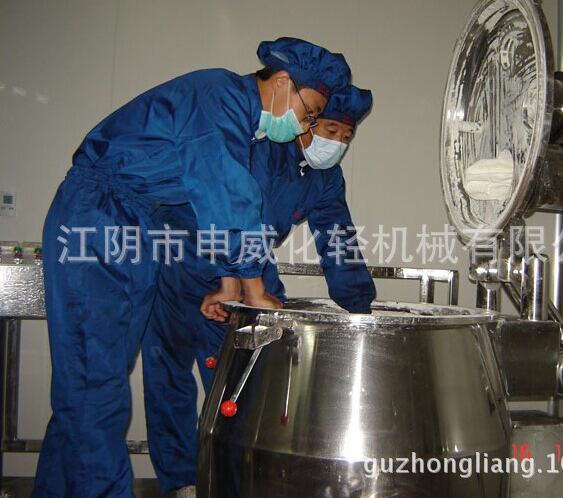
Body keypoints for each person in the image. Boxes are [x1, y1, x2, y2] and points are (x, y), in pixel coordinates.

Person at [33, 37, 351, 498]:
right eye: (311, 113)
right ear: (283, 83)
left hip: (135, 222)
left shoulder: (243, 126)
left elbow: (211, 206)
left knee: (92, 385)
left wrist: (230, 284)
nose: (309, 126)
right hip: (100, 216)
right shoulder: (219, 95)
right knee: (93, 387)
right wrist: (253, 288)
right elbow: (226, 192)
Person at [142, 85, 376, 495]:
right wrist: (231, 276)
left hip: (250, 265)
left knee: (249, 380)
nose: (337, 143)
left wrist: (360, 311)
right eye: (331, 130)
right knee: (169, 375)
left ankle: (235, 481)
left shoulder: (324, 178)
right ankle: (181, 481)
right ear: (309, 121)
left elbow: (338, 238)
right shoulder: (260, 150)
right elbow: (227, 213)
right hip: (182, 255)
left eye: (347, 136)